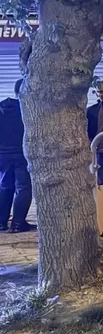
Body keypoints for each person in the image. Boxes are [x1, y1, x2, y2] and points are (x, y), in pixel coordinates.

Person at [0, 80, 33, 233]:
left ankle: (1, 222)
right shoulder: (27, 110)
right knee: (23, 188)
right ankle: (18, 224)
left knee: (5, 186)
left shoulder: (2, 108)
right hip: (21, 154)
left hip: (2, 155)